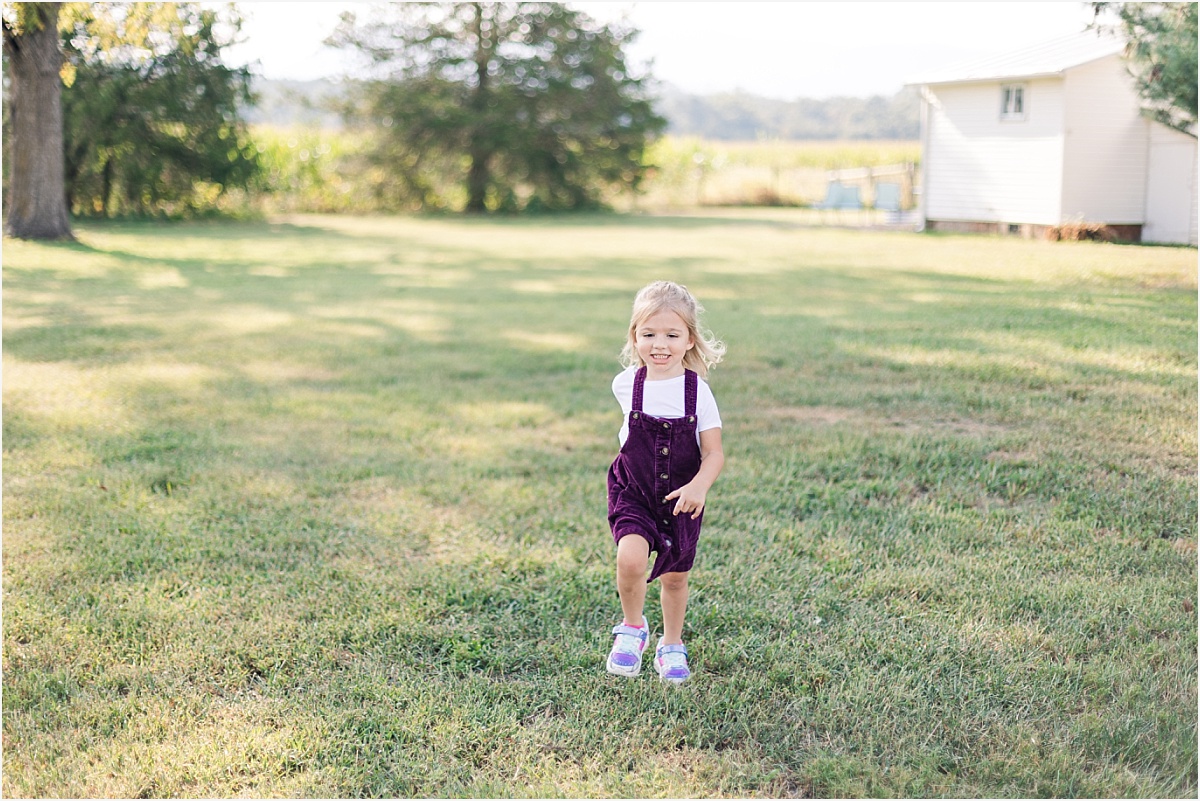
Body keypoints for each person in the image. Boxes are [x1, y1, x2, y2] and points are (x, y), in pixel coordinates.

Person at [605, 281, 725, 684]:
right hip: (635, 492)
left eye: (672, 335)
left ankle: (671, 644)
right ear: (635, 336)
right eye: (649, 334)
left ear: (689, 339)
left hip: (681, 499)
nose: (660, 344)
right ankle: (633, 628)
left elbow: (714, 453)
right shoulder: (626, 385)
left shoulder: (699, 393)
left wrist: (699, 487)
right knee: (631, 558)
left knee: (675, 577)